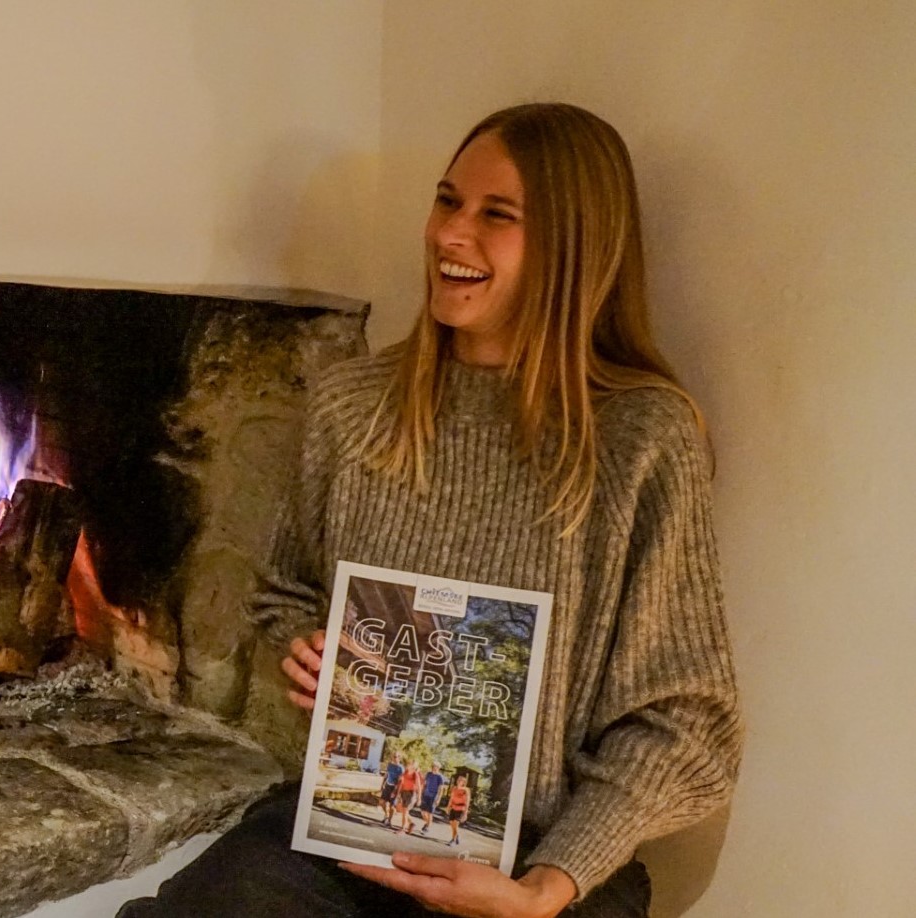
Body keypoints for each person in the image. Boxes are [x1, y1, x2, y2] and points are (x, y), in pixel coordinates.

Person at [118, 101, 743, 918]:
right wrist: (308, 648)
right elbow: (287, 591)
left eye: (497, 215)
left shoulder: (642, 438)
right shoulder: (353, 404)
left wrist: (546, 885)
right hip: (358, 827)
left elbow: (686, 722)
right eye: (448, 201)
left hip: (543, 857)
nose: (450, 233)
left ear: (572, 246)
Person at [394, 759, 423, 834]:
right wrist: (398, 793)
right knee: (401, 809)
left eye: (409, 764)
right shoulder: (406, 772)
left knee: (405, 811)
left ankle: (403, 829)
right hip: (404, 792)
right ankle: (411, 823)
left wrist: (419, 798)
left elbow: (419, 787)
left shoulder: (415, 774)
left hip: (411, 794)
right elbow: (401, 783)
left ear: (413, 766)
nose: (407, 765)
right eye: (408, 763)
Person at [418, 761, 446, 835]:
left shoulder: (440, 777)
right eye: (433, 766)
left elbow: (441, 789)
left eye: (436, 766)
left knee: (430, 813)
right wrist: (421, 793)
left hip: (433, 797)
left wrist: (438, 799)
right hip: (425, 795)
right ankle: (428, 823)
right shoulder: (429, 774)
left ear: (438, 768)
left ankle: (427, 827)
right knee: (423, 812)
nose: (434, 768)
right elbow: (424, 783)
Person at [377, 750, 404, 826]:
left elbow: (400, 782)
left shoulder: (401, 768)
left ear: (399, 758)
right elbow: (386, 775)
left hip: (395, 788)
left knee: (392, 806)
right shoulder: (390, 765)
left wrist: (395, 791)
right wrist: (382, 785)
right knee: (381, 802)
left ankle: (389, 821)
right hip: (388, 785)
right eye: (394, 756)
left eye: (396, 757)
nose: (394, 758)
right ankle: (387, 815)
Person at [446, 774, 472, 848]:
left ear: (464, 782)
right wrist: (448, 807)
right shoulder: (454, 788)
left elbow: (467, 802)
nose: (459, 781)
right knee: (452, 824)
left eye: (461, 780)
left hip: (460, 809)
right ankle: (456, 836)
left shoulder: (466, 790)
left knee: (455, 825)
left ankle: (453, 840)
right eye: (458, 780)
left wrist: (465, 813)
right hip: (453, 808)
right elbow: (451, 798)